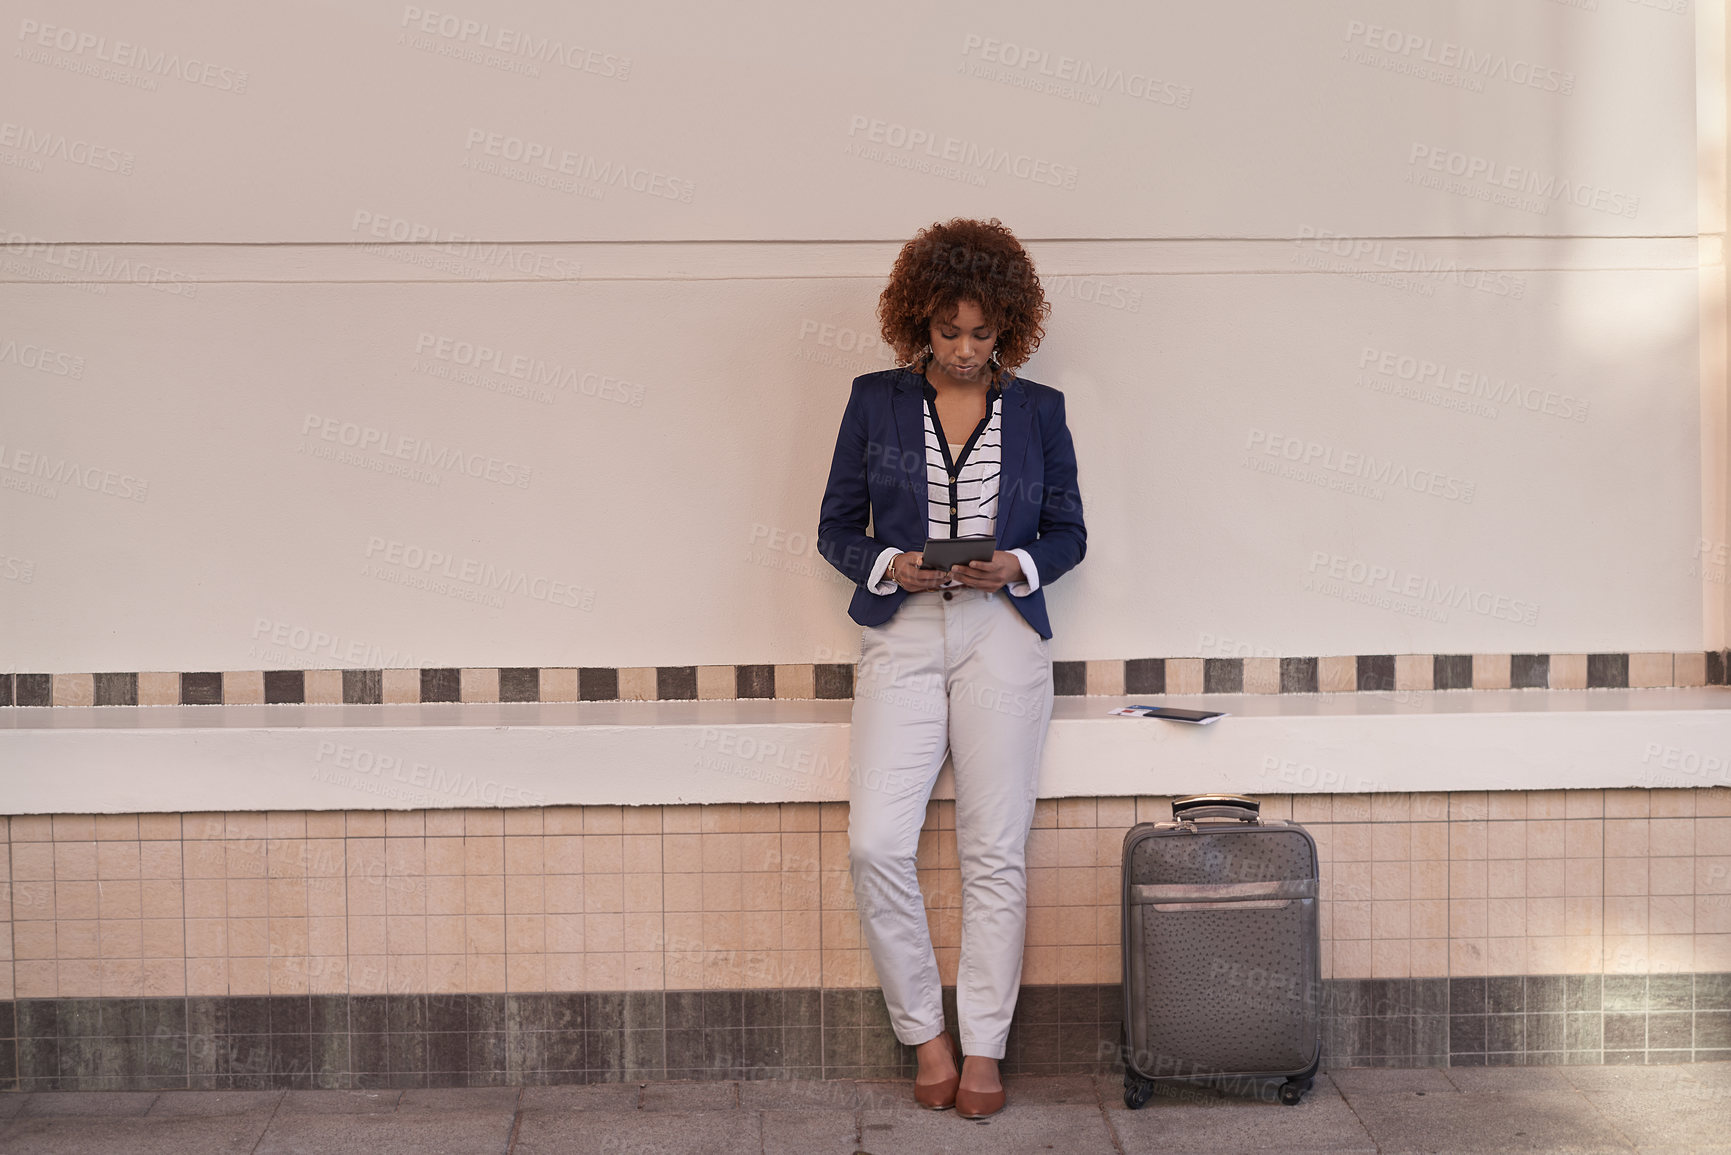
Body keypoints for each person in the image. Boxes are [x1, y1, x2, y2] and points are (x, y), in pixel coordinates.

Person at [816, 217, 1087, 1119]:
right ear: (916, 325)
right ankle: (923, 1034)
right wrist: (891, 564)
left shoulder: (1039, 410)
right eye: (948, 332)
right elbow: (835, 527)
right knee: (876, 842)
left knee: (993, 851)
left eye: (982, 333)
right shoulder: (873, 401)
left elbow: (1069, 532)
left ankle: (983, 1048)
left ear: (1007, 323)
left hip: (1000, 632)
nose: (966, 350)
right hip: (901, 632)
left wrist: (1016, 564)